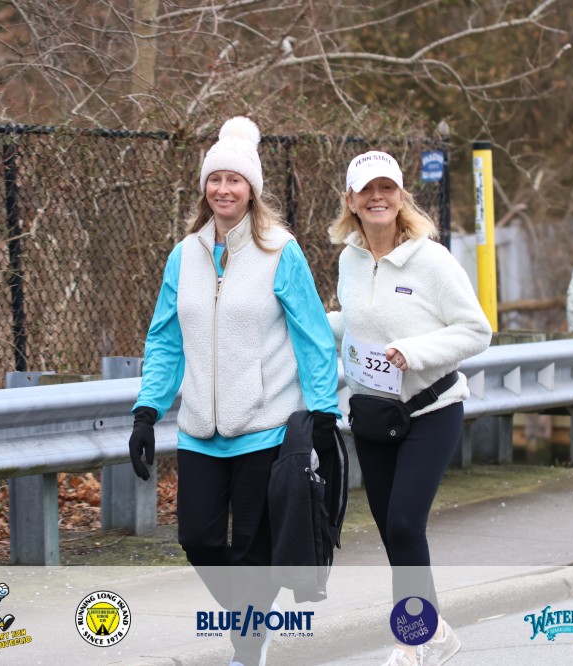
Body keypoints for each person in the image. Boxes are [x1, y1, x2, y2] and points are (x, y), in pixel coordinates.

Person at [127, 116, 341, 666]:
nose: (223, 189)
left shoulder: (280, 251)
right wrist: (147, 411)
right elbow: (165, 339)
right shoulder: (184, 256)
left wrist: (323, 411)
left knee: (251, 550)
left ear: (252, 190)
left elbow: (314, 336)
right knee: (197, 540)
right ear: (205, 187)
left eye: (235, 180)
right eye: (215, 179)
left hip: (265, 426)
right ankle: (254, 619)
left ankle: (247, 649)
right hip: (200, 428)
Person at [327, 150, 492, 666]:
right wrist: (315, 326)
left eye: (387, 188)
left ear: (400, 197)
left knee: (403, 525)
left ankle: (413, 640)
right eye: (366, 190)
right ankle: (435, 632)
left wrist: (414, 352)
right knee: (394, 533)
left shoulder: (432, 260)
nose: (377, 197)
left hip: (431, 409)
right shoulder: (349, 260)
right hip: (374, 414)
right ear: (351, 200)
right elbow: (358, 324)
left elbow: (477, 331)